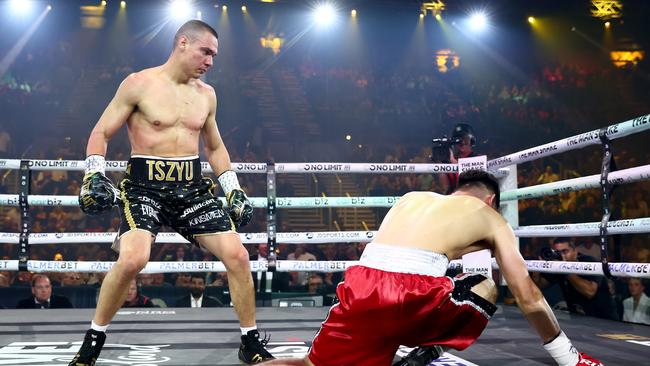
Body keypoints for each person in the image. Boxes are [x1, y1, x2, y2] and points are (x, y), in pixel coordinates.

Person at [69, 19, 273, 365]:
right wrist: (93, 174)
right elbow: (101, 131)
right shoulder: (138, 84)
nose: (210, 61)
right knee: (134, 258)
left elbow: (216, 147)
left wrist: (233, 189)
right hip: (144, 187)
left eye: (214, 55)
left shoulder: (207, 95)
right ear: (182, 43)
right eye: (205, 51)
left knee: (238, 255)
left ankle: (250, 341)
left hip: (191, 187)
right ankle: (92, 341)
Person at [260, 170, 602, 366]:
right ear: (489, 201)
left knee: (309, 365)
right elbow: (528, 297)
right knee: (484, 285)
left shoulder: (413, 198)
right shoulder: (490, 217)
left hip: (360, 287)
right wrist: (568, 357)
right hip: (411, 298)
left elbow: (398, 257)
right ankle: (431, 350)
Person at [532, 238, 619, 321]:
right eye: (557, 252)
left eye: (565, 251)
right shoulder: (558, 265)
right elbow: (540, 285)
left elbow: (590, 292)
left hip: (603, 320)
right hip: (579, 321)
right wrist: (538, 267)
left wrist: (564, 269)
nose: (562, 256)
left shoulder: (589, 261)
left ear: (575, 251)